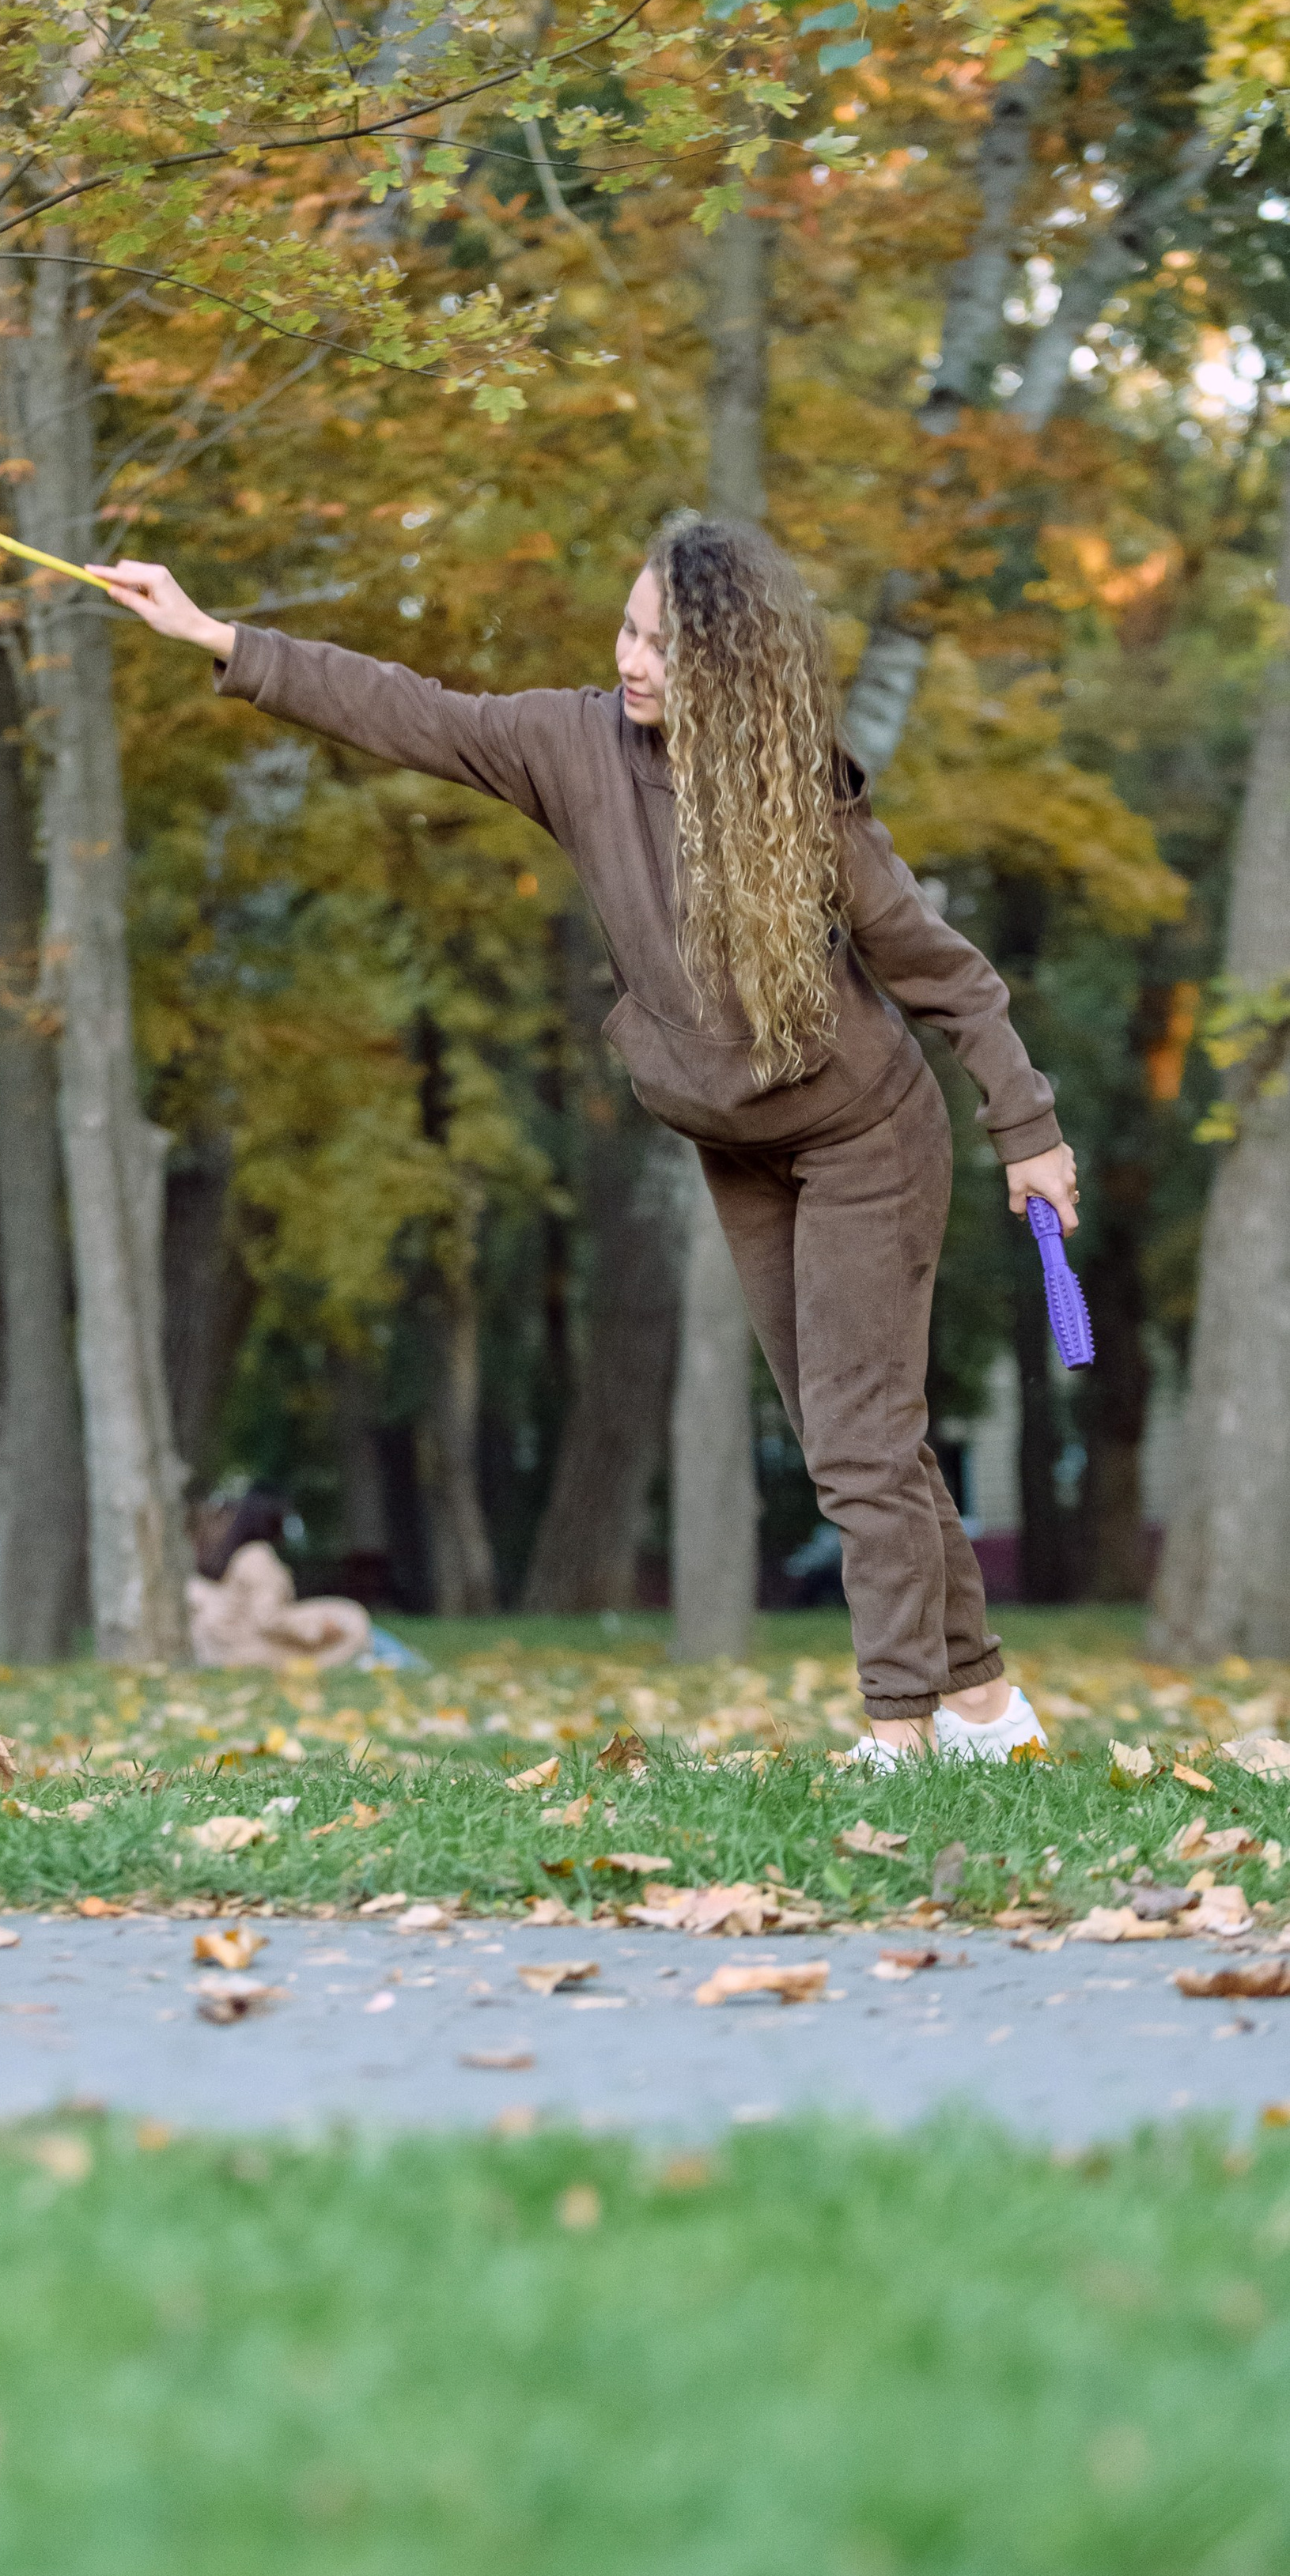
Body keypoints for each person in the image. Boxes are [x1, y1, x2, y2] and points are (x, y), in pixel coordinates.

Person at [92, 515, 1079, 1770]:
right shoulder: (572, 746)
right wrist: (217, 634)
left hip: (867, 1137)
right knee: (862, 1434)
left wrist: (1029, 1130)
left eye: (666, 645)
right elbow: (407, 709)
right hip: (742, 1146)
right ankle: (989, 1715)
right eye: (628, 629)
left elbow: (950, 978)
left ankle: (903, 1730)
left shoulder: (797, 798)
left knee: (857, 1444)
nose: (634, 660)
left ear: (733, 666)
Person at [187, 1491, 374, 1672]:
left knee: (345, 1615)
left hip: (235, 1646)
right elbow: (268, 1619)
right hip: (249, 1651)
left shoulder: (242, 1554)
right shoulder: (258, 1557)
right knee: (353, 1619)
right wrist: (318, 1629)